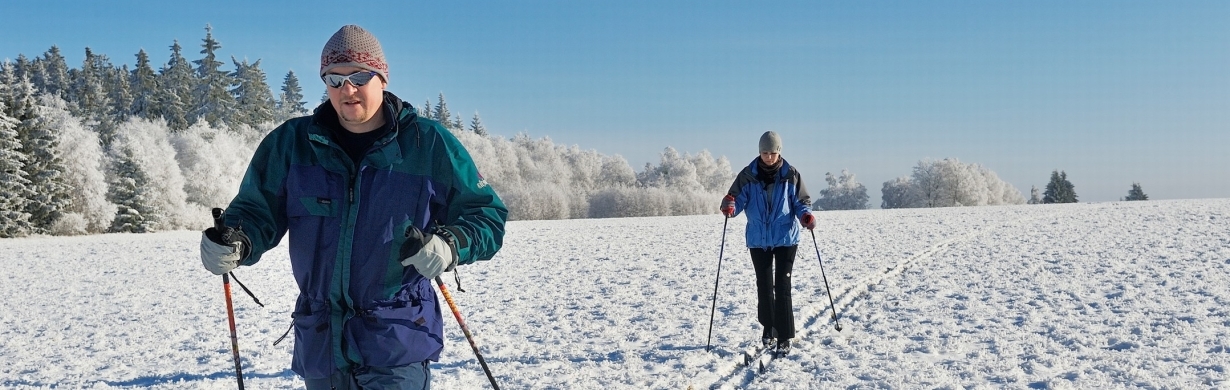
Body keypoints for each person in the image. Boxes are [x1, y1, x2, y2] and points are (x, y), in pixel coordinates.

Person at [199, 24, 507, 389]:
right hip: (321, 343)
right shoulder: (292, 143)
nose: (347, 89)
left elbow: (485, 214)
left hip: (397, 337)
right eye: (334, 78)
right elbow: (255, 212)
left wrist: (449, 243)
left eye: (359, 76)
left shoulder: (428, 143)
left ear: (382, 78)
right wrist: (235, 240)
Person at [719, 131, 814, 356]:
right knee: (764, 286)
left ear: (779, 152)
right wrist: (729, 206)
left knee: (782, 286)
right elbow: (734, 199)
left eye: (772, 152)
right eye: (764, 152)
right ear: (759, 152)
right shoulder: (747, 175)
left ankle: (784, 335)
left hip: (785, 239)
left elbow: (802, 202)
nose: (768, 157)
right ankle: (768, 329)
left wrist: (805, 216)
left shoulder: (791, 175)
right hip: (758, 239)